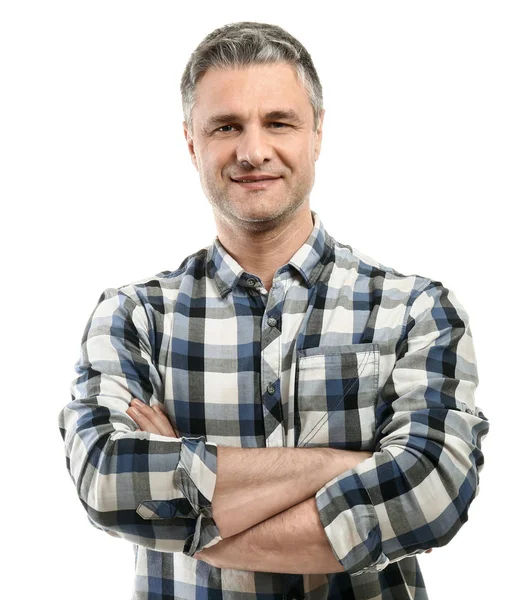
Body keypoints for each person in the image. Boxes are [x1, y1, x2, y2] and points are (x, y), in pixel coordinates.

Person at [57, 21, 489, 600]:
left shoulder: (415, 310)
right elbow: (108, 481)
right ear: (192, 142)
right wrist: (337, 465)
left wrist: (179, 508)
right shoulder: (135, 317)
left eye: (278, 122)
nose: (253, 150)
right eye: (226, 126)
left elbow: (431, 495)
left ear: (316, 134)